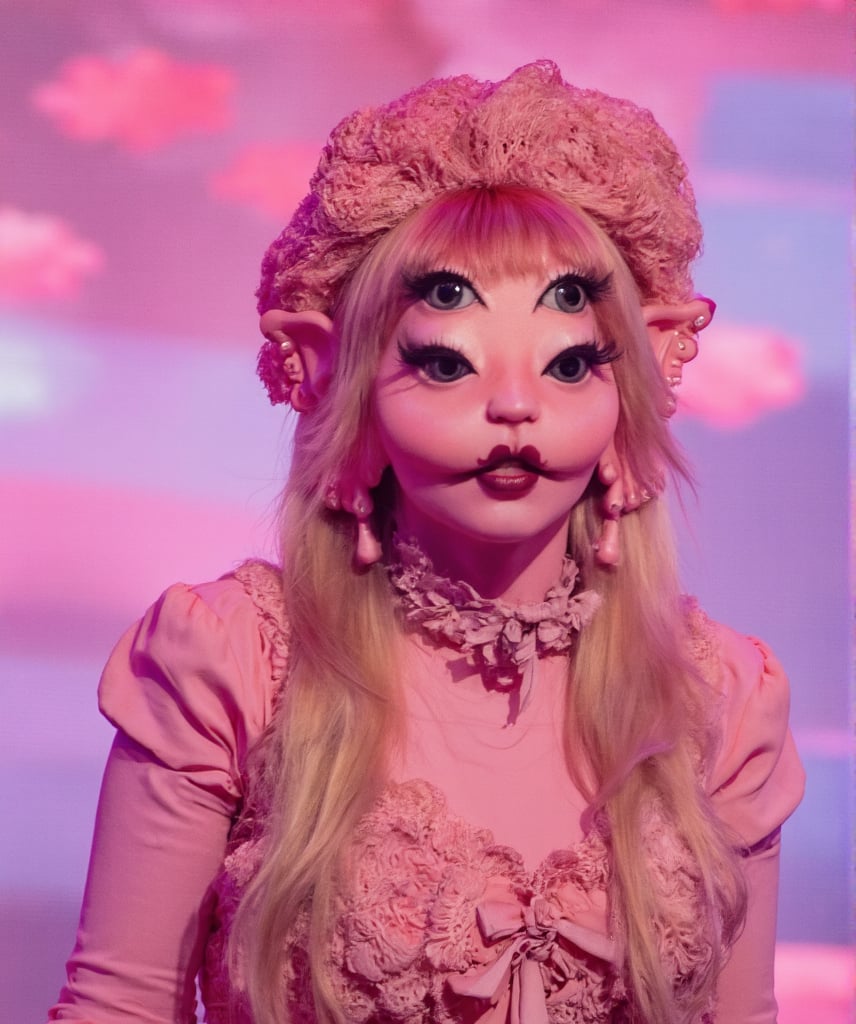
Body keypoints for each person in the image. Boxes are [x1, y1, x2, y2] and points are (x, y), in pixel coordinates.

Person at [49, 61, 804, 1024]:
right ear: (340, 379)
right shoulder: (235, 660)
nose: (516, 406)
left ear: (636, 386)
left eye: (570, 364)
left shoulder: (722, 697)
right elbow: (119, 1007)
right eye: (445, 363)